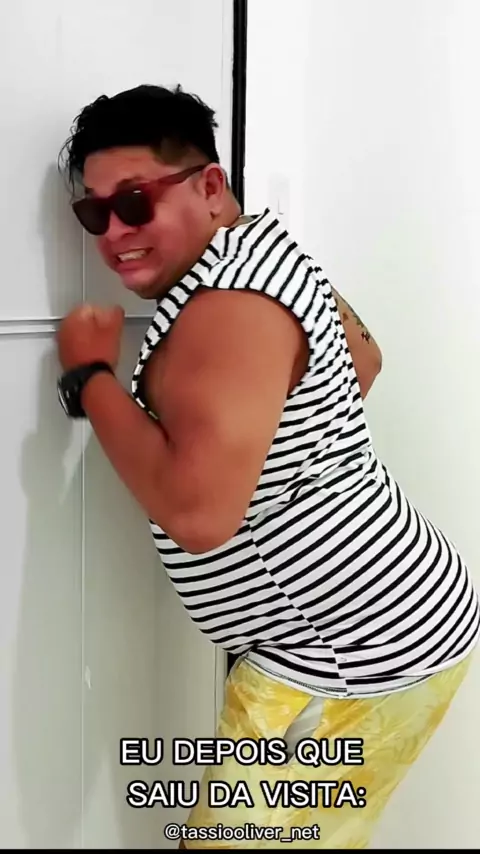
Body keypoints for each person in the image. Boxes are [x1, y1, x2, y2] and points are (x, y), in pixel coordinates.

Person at [56, 84, 479, 849]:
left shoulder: (224, 307)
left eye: (136, 203)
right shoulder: (267, 251)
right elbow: (365, 360)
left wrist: (90, 377)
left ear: (209, 185)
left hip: (344, 656)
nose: (113, 234)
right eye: (95, 213)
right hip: (399, 621)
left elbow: (198, 517)